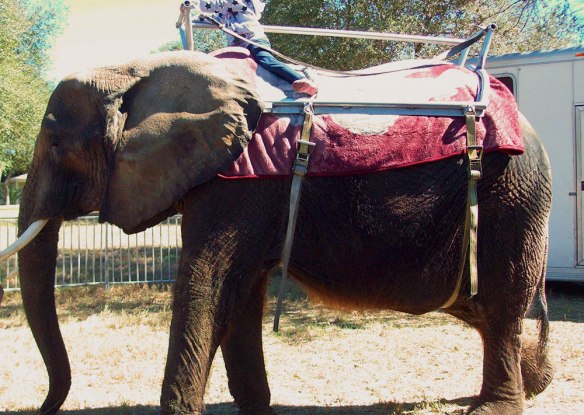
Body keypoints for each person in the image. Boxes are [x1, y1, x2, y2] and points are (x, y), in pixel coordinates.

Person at [181, 0, 318, 96]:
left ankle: (300, 79)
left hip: (254, 40)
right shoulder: (223, 13)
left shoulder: (242, 3)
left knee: (266, 60)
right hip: (239, 46)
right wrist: (186, 15)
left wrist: (193, 2)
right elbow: (204, 17)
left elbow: (217, 4)